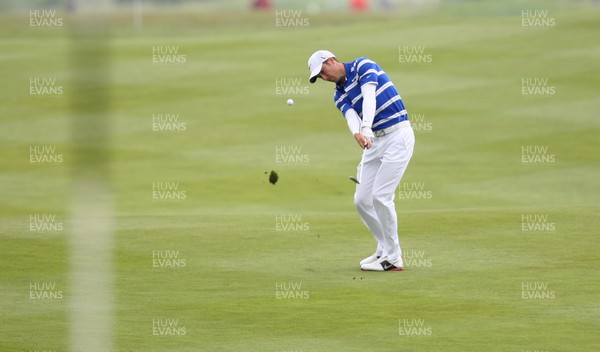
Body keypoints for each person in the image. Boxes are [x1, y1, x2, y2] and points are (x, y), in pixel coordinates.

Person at [308, 50, 415, 271]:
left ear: (330, 60)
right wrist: (357, 132)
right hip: (374, 142)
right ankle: (384, 248)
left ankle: (394, 258)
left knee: (381, 197)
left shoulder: (363, 66)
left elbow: (369, 97)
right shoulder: (338, 94)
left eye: (323, 72)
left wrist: (365, 128)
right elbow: (350, 116)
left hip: (397, 135)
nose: (324, 78)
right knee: (362, 200)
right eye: (320, 77)